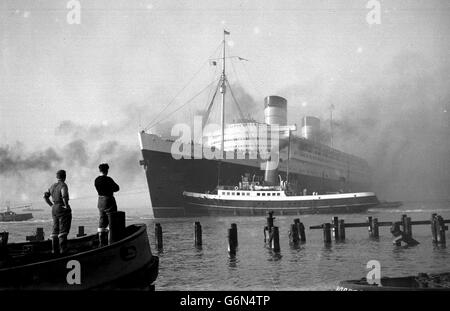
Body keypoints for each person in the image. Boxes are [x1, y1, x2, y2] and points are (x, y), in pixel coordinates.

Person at [44, 169, 72, 255]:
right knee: (63, 229)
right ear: (65, 177)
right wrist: (66, 206)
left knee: (55, 229)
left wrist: (51, 205)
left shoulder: (52, 186)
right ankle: (63, 250)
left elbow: (45, 196)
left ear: (57, 177)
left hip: (54, 208)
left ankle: (54, 251)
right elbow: (64, 196)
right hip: (61, 207)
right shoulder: (63, 185)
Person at [94, 163, 120, 246]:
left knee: (102, 221)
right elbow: (117, 188)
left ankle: (102, 241)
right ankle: (113, 241)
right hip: (109, 200)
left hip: (100, 201)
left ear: (99, 170)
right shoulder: (108, 179)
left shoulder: (96, 180)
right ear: (107, 170)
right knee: (112, 219)